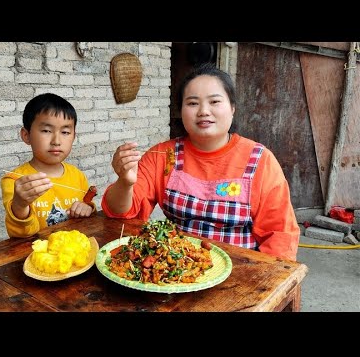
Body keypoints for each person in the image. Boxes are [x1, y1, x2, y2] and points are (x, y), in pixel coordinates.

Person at [101, 63, 299, 261]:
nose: (204, 111)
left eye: (214, 102)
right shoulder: (162, 155)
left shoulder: (260, 160)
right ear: (181, 111)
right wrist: (125, 183)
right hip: (177, 266)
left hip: (242, 274)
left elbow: (280, 236)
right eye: (193, 103)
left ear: (232, 108)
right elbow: (122, 215)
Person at [1, 93, 95, 238]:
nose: (56, 141)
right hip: (39, 256)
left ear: (74, 136)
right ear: (26, 135)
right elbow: (21, 235)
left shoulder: (77, 175)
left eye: (65, 132)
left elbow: (87, 212)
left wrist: (87, 208)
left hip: (75, 252)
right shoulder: (16, 181)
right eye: (46, 131)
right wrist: (19, 205)